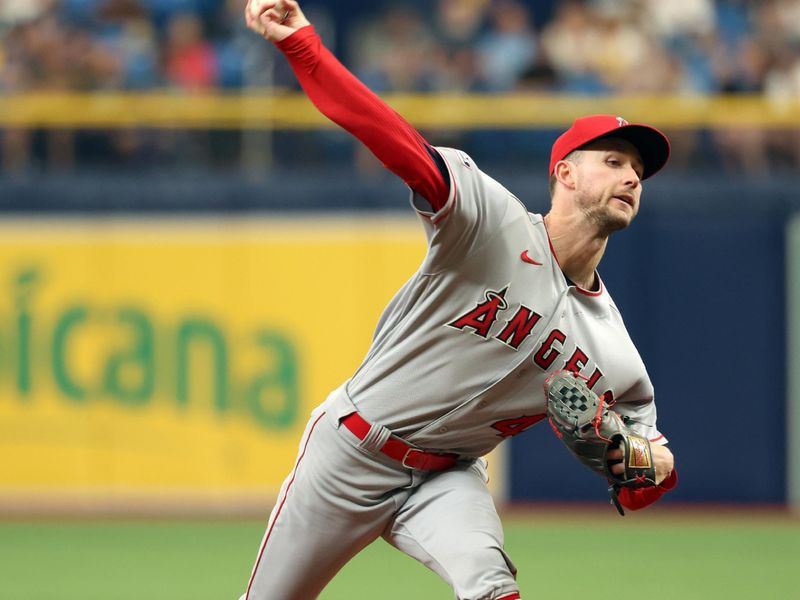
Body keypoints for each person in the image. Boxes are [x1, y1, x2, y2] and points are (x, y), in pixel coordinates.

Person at [240, 2, 677, 599]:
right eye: (613, 161)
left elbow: (643, 479)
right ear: (565, 176)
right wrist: (303, 47)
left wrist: (631, 459)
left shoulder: (614, 352)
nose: (631, 177)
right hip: (349, 455)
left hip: (448, 477)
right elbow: (388, 136)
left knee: (493, 589)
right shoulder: (489, 223)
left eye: (637, 171)